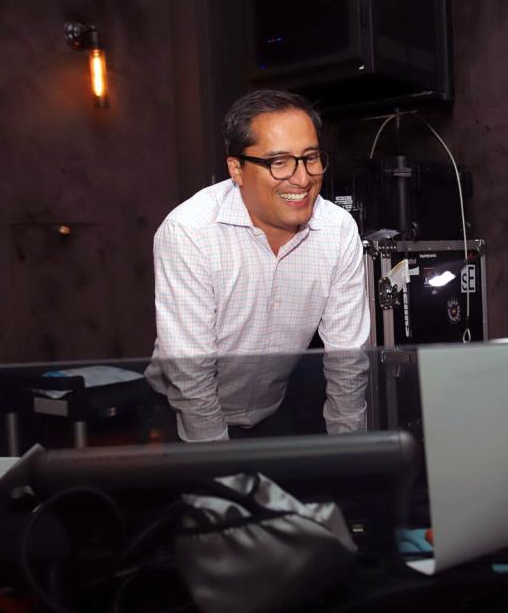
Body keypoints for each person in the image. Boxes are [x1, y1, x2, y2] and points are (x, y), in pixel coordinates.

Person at [146, 89, 370, 441]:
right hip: (180, 418)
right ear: (236, 168)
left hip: (272, 410)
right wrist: (221, 476)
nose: (302, 178)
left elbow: (348, 362)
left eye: (310, 157)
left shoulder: (338, 230)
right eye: (278, 162)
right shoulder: (189, 231)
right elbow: (192, 379)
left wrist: (351, 452)